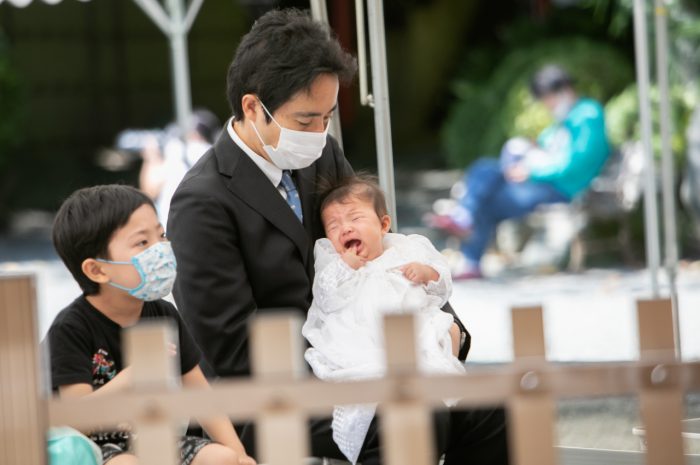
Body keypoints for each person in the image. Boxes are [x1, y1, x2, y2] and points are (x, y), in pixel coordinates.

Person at [167, 8, 504, 464]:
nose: (319, 133)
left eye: (327, 117)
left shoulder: (321, 155)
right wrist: (351, 367)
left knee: (494, 408)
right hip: (268, 388)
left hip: (367, 356)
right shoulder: (201, 203)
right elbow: (229, 346)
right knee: (412, 417)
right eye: (305, 121)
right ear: (252, 107)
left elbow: (380, 250)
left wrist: (446, 326)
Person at [45, 184, 256, 465]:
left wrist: (240, 455)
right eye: (142, 243)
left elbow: (201, 395)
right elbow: (77, 420)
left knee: (223, 458)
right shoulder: (71, 329)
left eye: (161, 235)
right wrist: (130, 378)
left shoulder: (163, 314)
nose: (161, 250)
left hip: (155, 437)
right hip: (95, 448)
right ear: (97, 269)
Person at [303, 175, 465, 463]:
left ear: (384, 224)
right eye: (334, 225)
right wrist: (344, 268)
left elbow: (442, 286)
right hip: (361, 338)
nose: (345, 228)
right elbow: (324, 296)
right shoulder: (332, 258)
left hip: (411, 334)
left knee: (438, 337)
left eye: (354, 218)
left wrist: (426, 273)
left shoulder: (406, 249)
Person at [428, 64, 611, 279]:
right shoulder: (568, 117)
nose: (546, 105)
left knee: (487, 196)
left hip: (560, 188)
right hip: (542, 182)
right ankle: (465, 221)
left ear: (563, 91)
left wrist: (531, 171)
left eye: (546, 99)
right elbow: (546, 144)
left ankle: (469, 246)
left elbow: (573, 163)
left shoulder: (587, 115)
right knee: (485, 168)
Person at [138, 109, 221, 228]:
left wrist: (151, 157)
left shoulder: (176, 150)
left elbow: (149, 191)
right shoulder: (215, 154)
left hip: (175, 231)